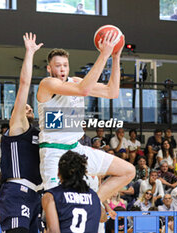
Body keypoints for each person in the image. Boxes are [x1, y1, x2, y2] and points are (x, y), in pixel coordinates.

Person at [37, 32, 134, 202]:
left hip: (76, 149)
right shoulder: (47, 84)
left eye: (65, 65)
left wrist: (116, 56)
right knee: (56, 205)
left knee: (128, 171)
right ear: (49, 68)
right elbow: (83, 90)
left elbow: (112, 92)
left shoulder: (76, 81)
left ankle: (95, 205)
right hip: (54, 152)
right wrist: (104, 54)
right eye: (57, 65)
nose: (62, 69)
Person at [0, 33, 43, 233]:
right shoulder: (17, 126)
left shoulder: (39, 133)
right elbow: (24, 84)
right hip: (17, 191)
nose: (28, 107)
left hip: (37, 195)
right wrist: (30, 53)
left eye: (29, 107)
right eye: (23, 107)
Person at [42, 151, 103, 233]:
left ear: (59, 172)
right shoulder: (94, 196)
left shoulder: (50, 196)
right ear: (83, 173)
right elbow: (103, 217)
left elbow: (54, 231)